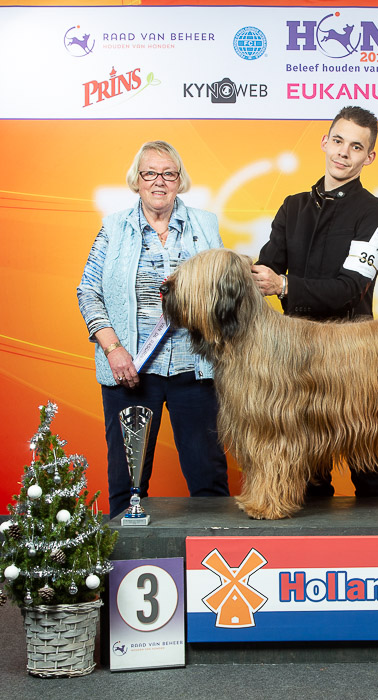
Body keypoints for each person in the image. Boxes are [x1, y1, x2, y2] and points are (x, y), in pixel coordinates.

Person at [77, 140, 230, 519]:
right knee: (126, 486)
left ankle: (213, 556)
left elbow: (224, 290)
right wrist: (113, 349)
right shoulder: (114, 227)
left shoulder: (205, 225)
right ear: (137, 180)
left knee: (210, 482)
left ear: (179, 181)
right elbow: (88, 291)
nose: (159, 182)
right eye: (149, 173)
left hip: (195, 371)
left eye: (168, 174)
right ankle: (125, 557)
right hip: (130, 372)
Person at [252, 106, 378, 499]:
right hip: (295, 354)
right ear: (324, 142)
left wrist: (283, 285)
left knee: (366, 463)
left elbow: (351, 288)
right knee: (307, 472)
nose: (343, 152)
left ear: (369, 157)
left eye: (356, 147)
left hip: (353, 352)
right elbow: (266, 267)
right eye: (338, 141)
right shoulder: (292, 206)